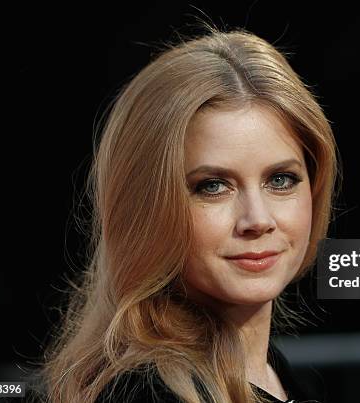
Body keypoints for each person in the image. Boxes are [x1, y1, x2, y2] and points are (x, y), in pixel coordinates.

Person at [36, 24, 341, 403]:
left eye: (280, 179)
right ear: (146, 207)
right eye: (212, 186)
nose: (258, 220)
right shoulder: (145, 393)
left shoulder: (277, 374)